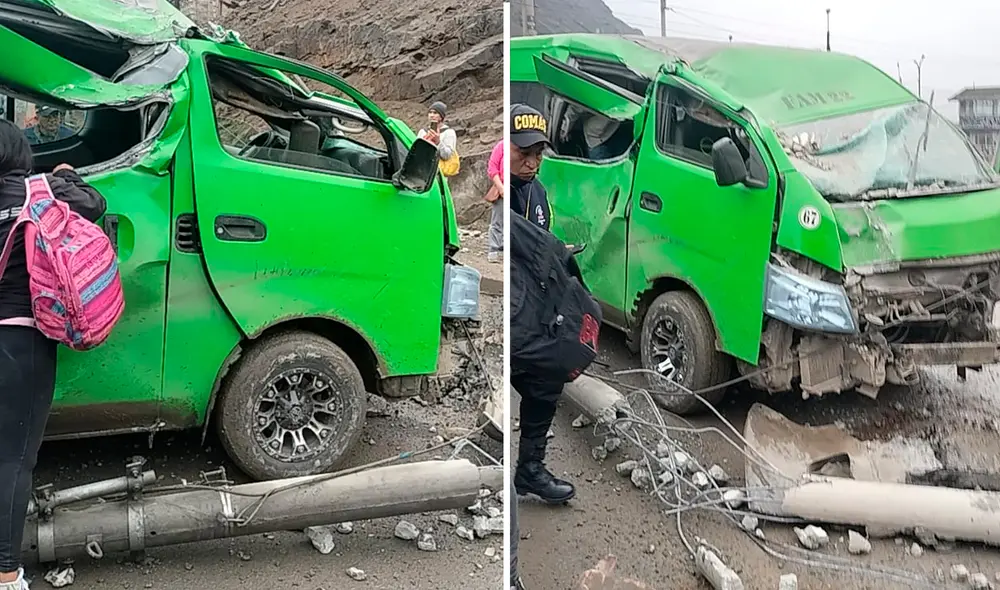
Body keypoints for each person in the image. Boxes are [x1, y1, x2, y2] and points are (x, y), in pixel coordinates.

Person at [0, 119, 106, 590]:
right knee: (11, 461)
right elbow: (95, 205)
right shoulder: (38, 194)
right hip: (20, 346)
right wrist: (65, 175)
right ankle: (5, 574)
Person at [417, 101, 458, 167]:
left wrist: (438, 142)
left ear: (441, 116)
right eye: (430, 112)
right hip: (422, 168)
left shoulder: (449, 132)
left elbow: (447, 156)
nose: (432, 115)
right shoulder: (422, 132)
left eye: (435, 113)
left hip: (439, 171)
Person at [485, 139, 504, 263]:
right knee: (497, 220)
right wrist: (501, 187)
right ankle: (494, 249)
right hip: (501, 187)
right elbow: (492, 169)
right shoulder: (501, 146)